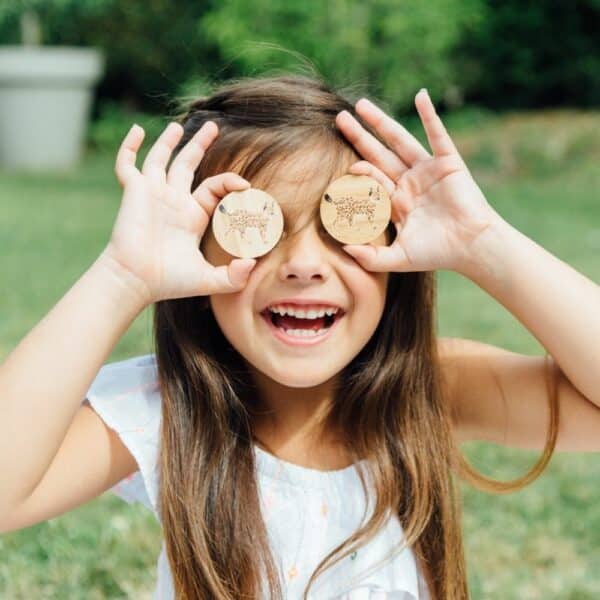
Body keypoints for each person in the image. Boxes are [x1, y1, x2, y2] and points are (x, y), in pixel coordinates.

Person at [1, 73, 599, 600]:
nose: (305, 264)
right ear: (197, 254)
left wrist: (483, 244)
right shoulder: (164, 408)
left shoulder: (428, 387)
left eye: (342, 227)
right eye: (258, 229)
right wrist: (121, 277)